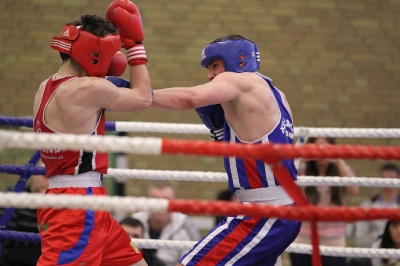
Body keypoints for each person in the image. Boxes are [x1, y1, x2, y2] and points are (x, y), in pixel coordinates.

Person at [151, 34, 301, 266]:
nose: (210, 75)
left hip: (262, 215)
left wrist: (139, 95)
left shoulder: (240, 81)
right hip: (282, 210)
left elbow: (189, 98)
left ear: (238, 60)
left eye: (214, 65)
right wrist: (220, 132)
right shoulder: (276, 94)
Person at [32, 0, 153, 265]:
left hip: (75, 199)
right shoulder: (88, 89)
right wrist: (134, 45)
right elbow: (144, 98)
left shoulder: (46, 86)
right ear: (95, 52)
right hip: (77, 206)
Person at [289, 137, 359, 266]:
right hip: (303, 239)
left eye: (326, 149)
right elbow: (286, 176)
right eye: (317, 148)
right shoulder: (303, 169)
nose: (322, 153)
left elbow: (354, 190)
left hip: (334, 241)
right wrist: (305, 153)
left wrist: (337, 160)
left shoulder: (341, 169)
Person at [131, 181, 200, 266]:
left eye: (166, 200)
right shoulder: (134, 222)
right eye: (154, 200)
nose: (161, 205)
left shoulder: (186, 226)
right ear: (147, 201)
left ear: (174, 202)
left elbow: (191, 262)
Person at [349, 163, 400, 266]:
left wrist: (375, 234)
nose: (388, 183)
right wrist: (384, 239)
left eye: (392, 179)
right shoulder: (367, 205)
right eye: (384, 179)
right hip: (373, 255)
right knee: (355, 262)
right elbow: (360, 239)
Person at [0, 171, 49, 266]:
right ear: (34, 174)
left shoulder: (63, 201)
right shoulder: (12, 194)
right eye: (45, 176)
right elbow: (6, 240)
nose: (49, 182)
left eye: (55, 179)